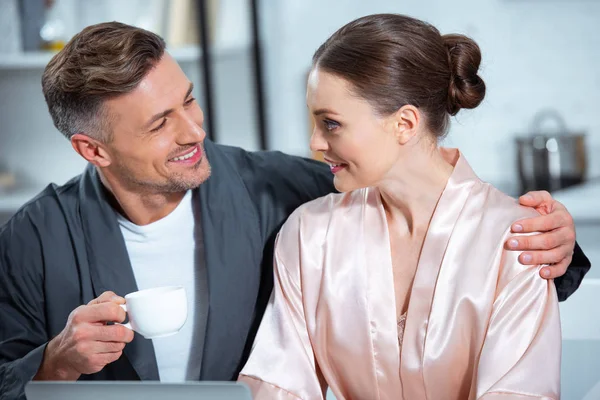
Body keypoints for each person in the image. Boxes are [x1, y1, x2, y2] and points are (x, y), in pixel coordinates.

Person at [0, 21, 588, 400]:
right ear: (92, 149)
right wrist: (53, 362)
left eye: (189, 100)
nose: (194, 130)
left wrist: (560, 247)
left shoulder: (279, 192)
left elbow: (429, 200)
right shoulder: (32, 239)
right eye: (160, 124)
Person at [238, 14, 582, 400]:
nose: (315, 141)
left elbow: (520, 394)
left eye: (331, 123)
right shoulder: (308, 234)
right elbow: (278, 386)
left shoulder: (518, 239)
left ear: (404, 123)